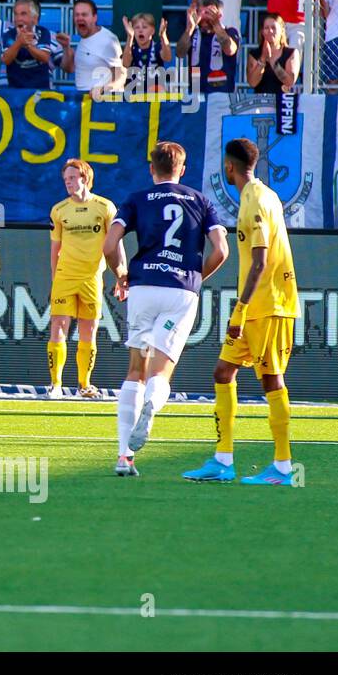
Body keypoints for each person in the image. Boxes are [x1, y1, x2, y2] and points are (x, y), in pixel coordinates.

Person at [103, 141, 228, 477]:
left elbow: (110, 244)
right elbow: (222, 249)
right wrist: (197, 277)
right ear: (182, 169)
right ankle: (152, 408)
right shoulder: (201, 201)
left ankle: (124, 456)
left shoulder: (136, 199)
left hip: (143, 287)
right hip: (180, 291)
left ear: (151, 168)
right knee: (161, 372)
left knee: (135, 371)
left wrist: (122, 275)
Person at [184, 138, 301, 487]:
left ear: (228, 166)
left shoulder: (254, 202)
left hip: (269, 306)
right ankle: (223, 460)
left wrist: (240, 308)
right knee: (223, 372)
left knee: (271, 380)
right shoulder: (266, 194)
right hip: (257, 308)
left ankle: (282, 466)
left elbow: (261, 261)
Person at [46, 159, 117, 399]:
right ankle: (55, 385)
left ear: (84, 178)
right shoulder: (59, 210)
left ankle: (84, 385)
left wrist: (122, 273)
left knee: (89, 329)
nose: (68, 183)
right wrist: (55, 279)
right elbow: (55, 248)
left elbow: (114, 243)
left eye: (72, 178)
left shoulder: (105, 207)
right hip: (66, 275)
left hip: (92, 276)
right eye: (65, 179)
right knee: (59, 326)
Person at [58, 0, 126, 99]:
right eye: (77, 15)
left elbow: (121, 75)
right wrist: (66, 47)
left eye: (84, 14)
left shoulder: (107, 40)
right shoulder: (83, 38)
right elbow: (69, 69)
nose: (79, 18)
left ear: (95, 17)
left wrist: (102, 89)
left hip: (103, 103)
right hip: (84, 102)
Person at [177, 0, 241, 96]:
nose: (204, 17)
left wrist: (216, 25)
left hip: (221, 95)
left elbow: (230, 50)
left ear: (219, 15)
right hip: (196, 94)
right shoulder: (192, 33)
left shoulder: (230, 32)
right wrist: (190, 28)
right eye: (201, 13)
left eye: (208, 13)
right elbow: (180, 53)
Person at [0, 0, 59, 89]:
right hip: (15, 91)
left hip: (40, 90)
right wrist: (19, 42)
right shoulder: (9, 34)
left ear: (34, 18)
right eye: (16, 14)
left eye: (23, 14)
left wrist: (28, 45)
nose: (18, 18)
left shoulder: (43, 32)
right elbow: (6, 60)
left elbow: (44, 58)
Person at [246, 13, 300, 94]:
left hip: (282, 101)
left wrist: (272, 60)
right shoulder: (255, 54)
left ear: (282, 31)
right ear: (262, 32)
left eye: (273, 28)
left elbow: (289, 82)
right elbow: (252, 83)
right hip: (260, 101)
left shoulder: (291, 53)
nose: (270, 31)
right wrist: (263, 59)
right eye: (266, 28)